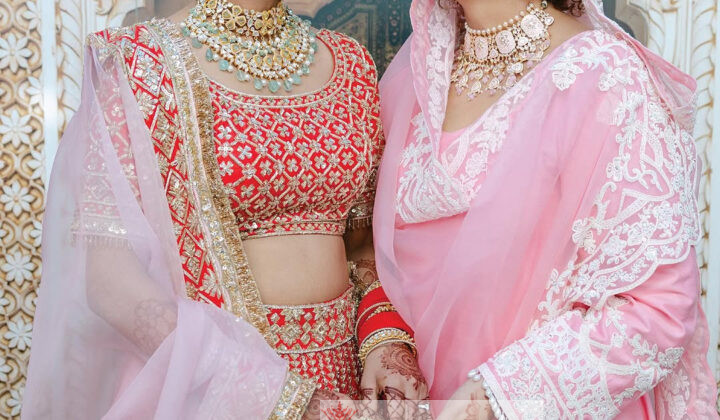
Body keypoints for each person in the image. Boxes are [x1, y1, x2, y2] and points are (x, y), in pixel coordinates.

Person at [22, 0, 427, 418]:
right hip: (220, 390)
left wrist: (385, 340)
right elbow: (109, 282)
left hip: (345, 384)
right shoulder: (141, 62)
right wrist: (273, 394)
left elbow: (362, 245)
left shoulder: (351, 63)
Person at [374, 0, 719, 418]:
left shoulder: (604, 77)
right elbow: (373, 254)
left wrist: (495, 397)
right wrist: (385, 343)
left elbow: (659, 309)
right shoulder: (417, 72)